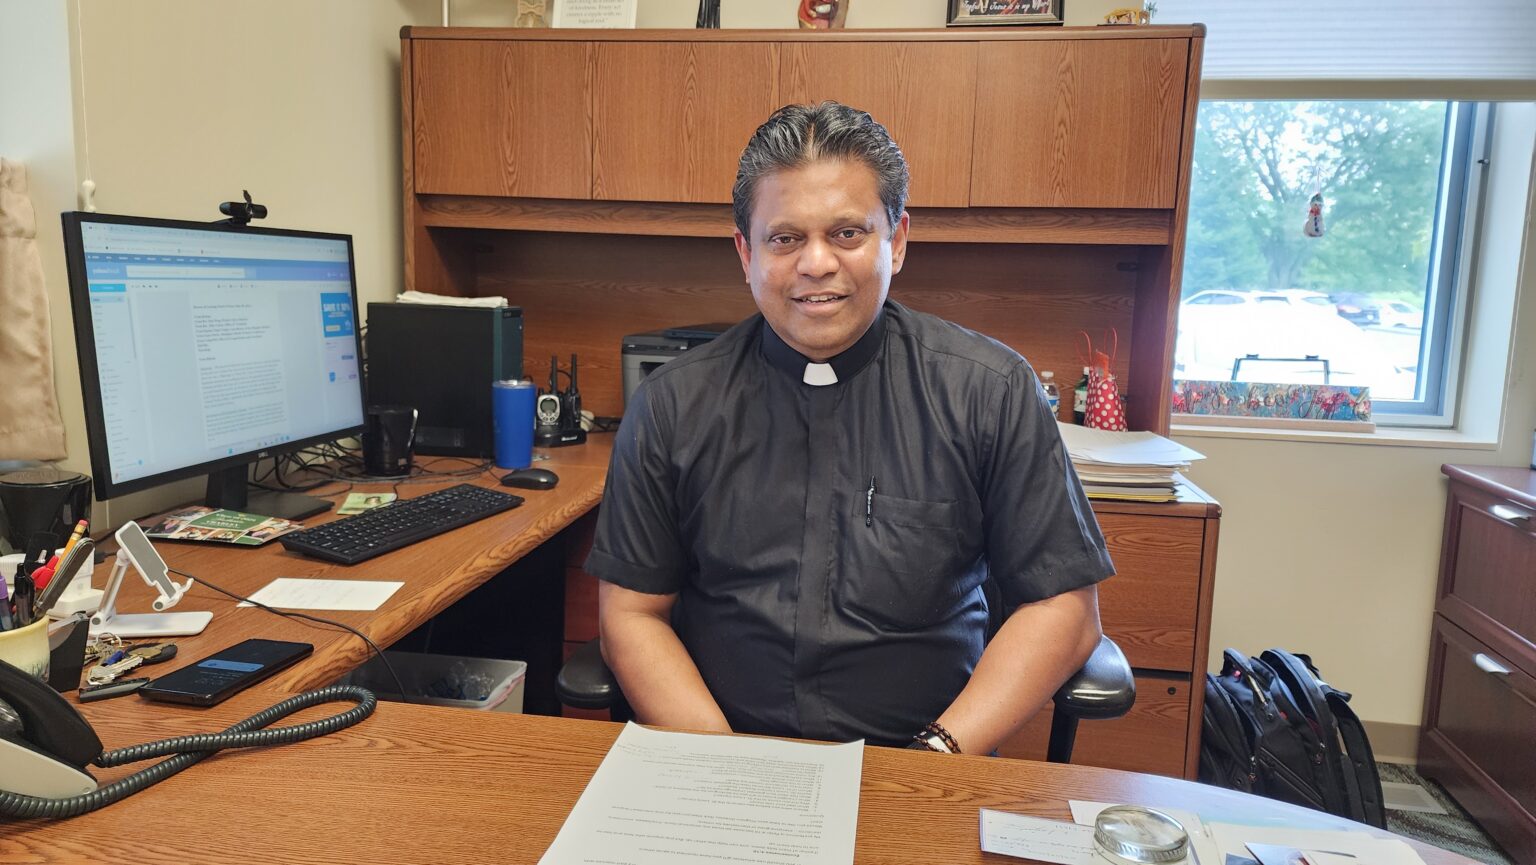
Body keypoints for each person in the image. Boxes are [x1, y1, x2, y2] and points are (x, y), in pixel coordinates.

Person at [587, 101, 1114, 756]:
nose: (816, 263)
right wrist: (724, 769)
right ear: (745, 252)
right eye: (784, 239)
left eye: (846, 233)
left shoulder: (991, 390)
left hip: (927, 762)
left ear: (896, 239)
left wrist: (939, 753)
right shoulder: (671, 406)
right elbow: (631, 616)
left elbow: (1064, 609)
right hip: (723, 759)